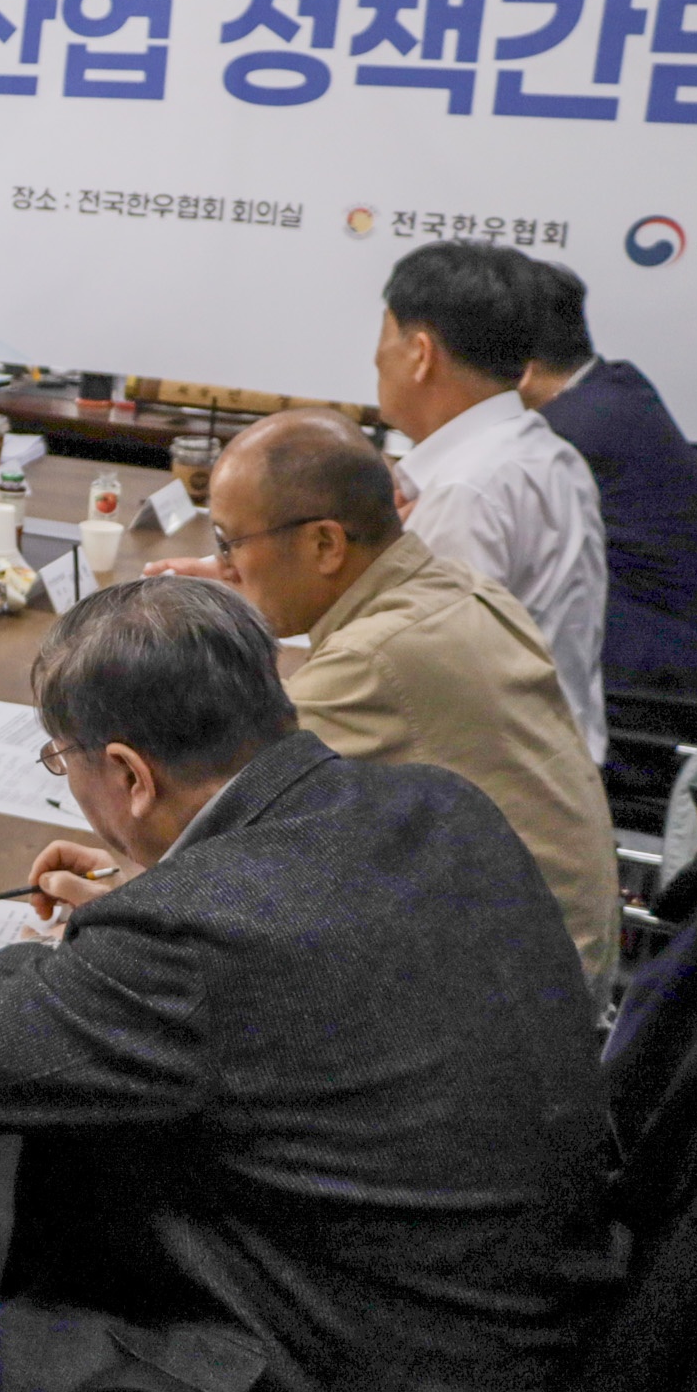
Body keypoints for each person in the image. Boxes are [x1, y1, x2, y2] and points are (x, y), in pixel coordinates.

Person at [0, 578, 615, 1392]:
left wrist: (76, 943)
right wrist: (150, 904)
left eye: (63, 763)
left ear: (128, 775)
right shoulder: (437, 803)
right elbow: (283, 957)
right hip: (508, 1346)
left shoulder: (198, 935)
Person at [187, 409, 618, 988]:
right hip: (556, 958)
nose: (224, 570)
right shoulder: (458, 587)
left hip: (510, 997)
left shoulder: (372, 661)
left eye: (229, 543)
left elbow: (211, 827)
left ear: (325, 544)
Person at [373, 241, 609, 760]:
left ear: (420, 354)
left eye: (384, 338)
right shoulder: (549, 454)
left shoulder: (467, 489)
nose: (376, 359)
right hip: (553, 763)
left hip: (491, 780)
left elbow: (417, 678)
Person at [517, 260, 697, 688]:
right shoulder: (614, 386)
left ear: (520, 366)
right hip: (684, 641)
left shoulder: (565, 433)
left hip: (657, 677)